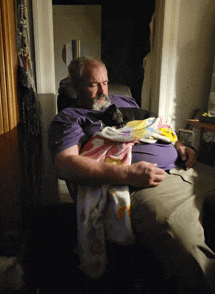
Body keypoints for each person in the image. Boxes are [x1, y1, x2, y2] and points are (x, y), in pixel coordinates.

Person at [48, 56, 215, 293]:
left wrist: (179, 146)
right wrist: (127, 174)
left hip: (191, 170)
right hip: (152, 182)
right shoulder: (69, 117)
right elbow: (66, 164)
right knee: (187, 246)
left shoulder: (125, 102)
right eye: (93, 84)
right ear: (76, 87)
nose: (102, 91)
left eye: (105, 82)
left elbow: (159, 126)